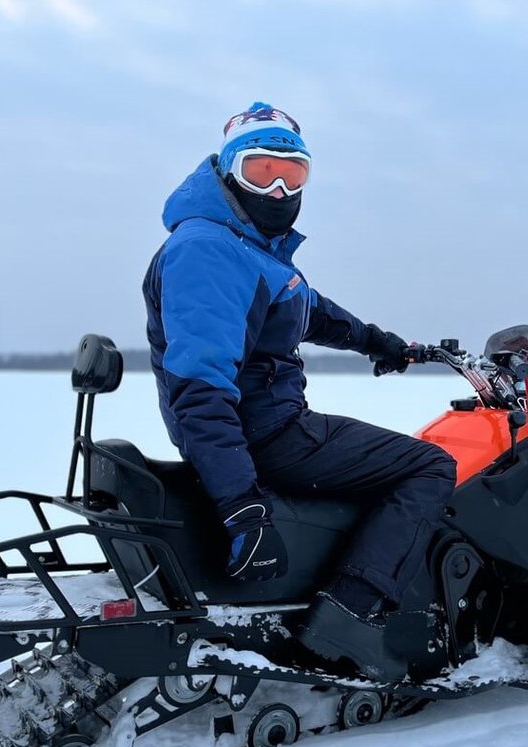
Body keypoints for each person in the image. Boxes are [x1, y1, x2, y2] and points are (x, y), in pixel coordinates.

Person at [142, 102, 456, 680]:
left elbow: (308, 311)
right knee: (431, 466)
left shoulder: (250, 250)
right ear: (226, 171)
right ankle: (350, 615)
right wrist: (240, 504)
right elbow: (199, 389)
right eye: (261, 171)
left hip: (267, 424)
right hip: (267, 434)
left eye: (294, 172)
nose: (280, 187)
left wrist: (381, 344)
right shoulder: (208, 249)